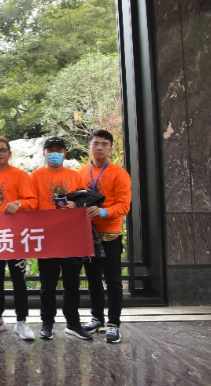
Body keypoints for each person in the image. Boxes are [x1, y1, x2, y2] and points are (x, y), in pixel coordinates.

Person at [30, 137, 92, 341]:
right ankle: (47, 323)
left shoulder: (75, 176)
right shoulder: (35, 176)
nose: (54, 153)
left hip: (71, 237)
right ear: (44, 153)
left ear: (65, 153)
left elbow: (86, 198)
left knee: (72, 284)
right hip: (47, 237)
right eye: (50, 150)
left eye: (59, 150)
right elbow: (30, 203)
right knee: (47, 285)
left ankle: (73, 323)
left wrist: (76, 205)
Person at [0, 135, 38, 341]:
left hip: (15, 237)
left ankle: (22, 321)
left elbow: (32, 201)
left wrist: (19, 203)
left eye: (2, 150)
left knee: (19, 280)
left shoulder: (20, 175)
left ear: (10, 153)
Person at [79, 130, 132, 344]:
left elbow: (124, 205)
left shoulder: (120, 174)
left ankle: (114, 323)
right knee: (93, 280)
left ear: (110, 148)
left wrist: (104, 212)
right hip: (87, 234)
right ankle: (97, 318)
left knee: (113, 281)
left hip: (110, 233)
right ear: (89, 147)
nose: (99, 148)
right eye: (95, 144)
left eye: (104, 144)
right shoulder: (81, 173)